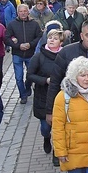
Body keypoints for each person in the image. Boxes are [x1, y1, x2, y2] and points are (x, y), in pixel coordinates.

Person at [27, 28, 63, 160]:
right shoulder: (39, 56)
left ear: (61, 41)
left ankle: (56, 152)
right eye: (50, 38)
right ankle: (46, 138)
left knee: (59, 127)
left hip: (60, 96)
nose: (52, 40)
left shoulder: (64, 55)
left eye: (55, 38)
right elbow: (30, 75)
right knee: (45, 127)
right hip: (43, 96)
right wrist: (45, 80)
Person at [5, 4, 43, 104]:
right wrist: (18, 45)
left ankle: (27, 87)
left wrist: (30, 44)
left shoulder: (34, 24)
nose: (23, 13)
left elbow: (39, 36)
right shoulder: (12, 24)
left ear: (28, 12)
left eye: (25, 11)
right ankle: (23, 95)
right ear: (18, 13)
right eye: (21, 11)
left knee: (30, 75)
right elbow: (6, 38)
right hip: (17, 54)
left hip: (30, 54)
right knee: (18, 77)